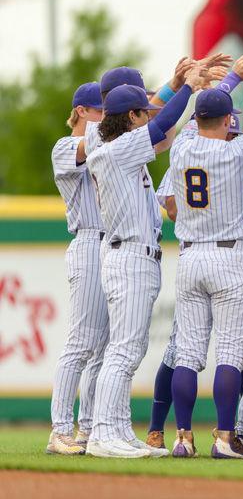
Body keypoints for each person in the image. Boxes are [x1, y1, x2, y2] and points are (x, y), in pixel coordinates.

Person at [86, 66, 202, 458]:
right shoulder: (119, 150)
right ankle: (103, 433)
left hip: (134, 252)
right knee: (124, 350)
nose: (148, 117)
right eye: (142, 112)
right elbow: (162, 124)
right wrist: (188, 88)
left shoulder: (122, 151)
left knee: (127, 349)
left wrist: (178, 87)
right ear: (131, 117)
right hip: (129, 255)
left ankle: (117, 429)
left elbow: (161, 127)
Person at [168, 88, 243, 459]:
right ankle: (224, 438)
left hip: (190, 257)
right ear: (228, 121)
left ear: (196, 120)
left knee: (187, 354)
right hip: (227, 256)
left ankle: (182, 437)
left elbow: (189, 126)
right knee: (229, 351)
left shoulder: (180, 148)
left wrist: (231, 77)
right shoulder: (237, 151)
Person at [47, 82, 107, 455]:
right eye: (102, 109)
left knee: (103, 347)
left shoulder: (108, 139)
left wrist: (177, 87)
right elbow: (89, 147)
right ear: (82, 111)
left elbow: (150, 124)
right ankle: (60, 429)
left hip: (113, 245)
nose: (107, 116)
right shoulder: (65, 146)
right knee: (81, 343)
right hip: (87, 241)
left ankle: (87, 427)